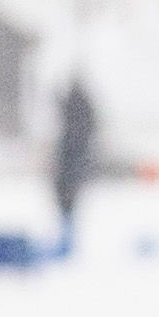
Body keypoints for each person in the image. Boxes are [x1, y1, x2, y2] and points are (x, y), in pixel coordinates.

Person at [52, 76, 100, 251]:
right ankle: (66, 236)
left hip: (73, 161)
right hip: (71, 162)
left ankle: (67, 239)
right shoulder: (80, 115)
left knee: (67, 195)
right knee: (65, 197)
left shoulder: (76, 134)